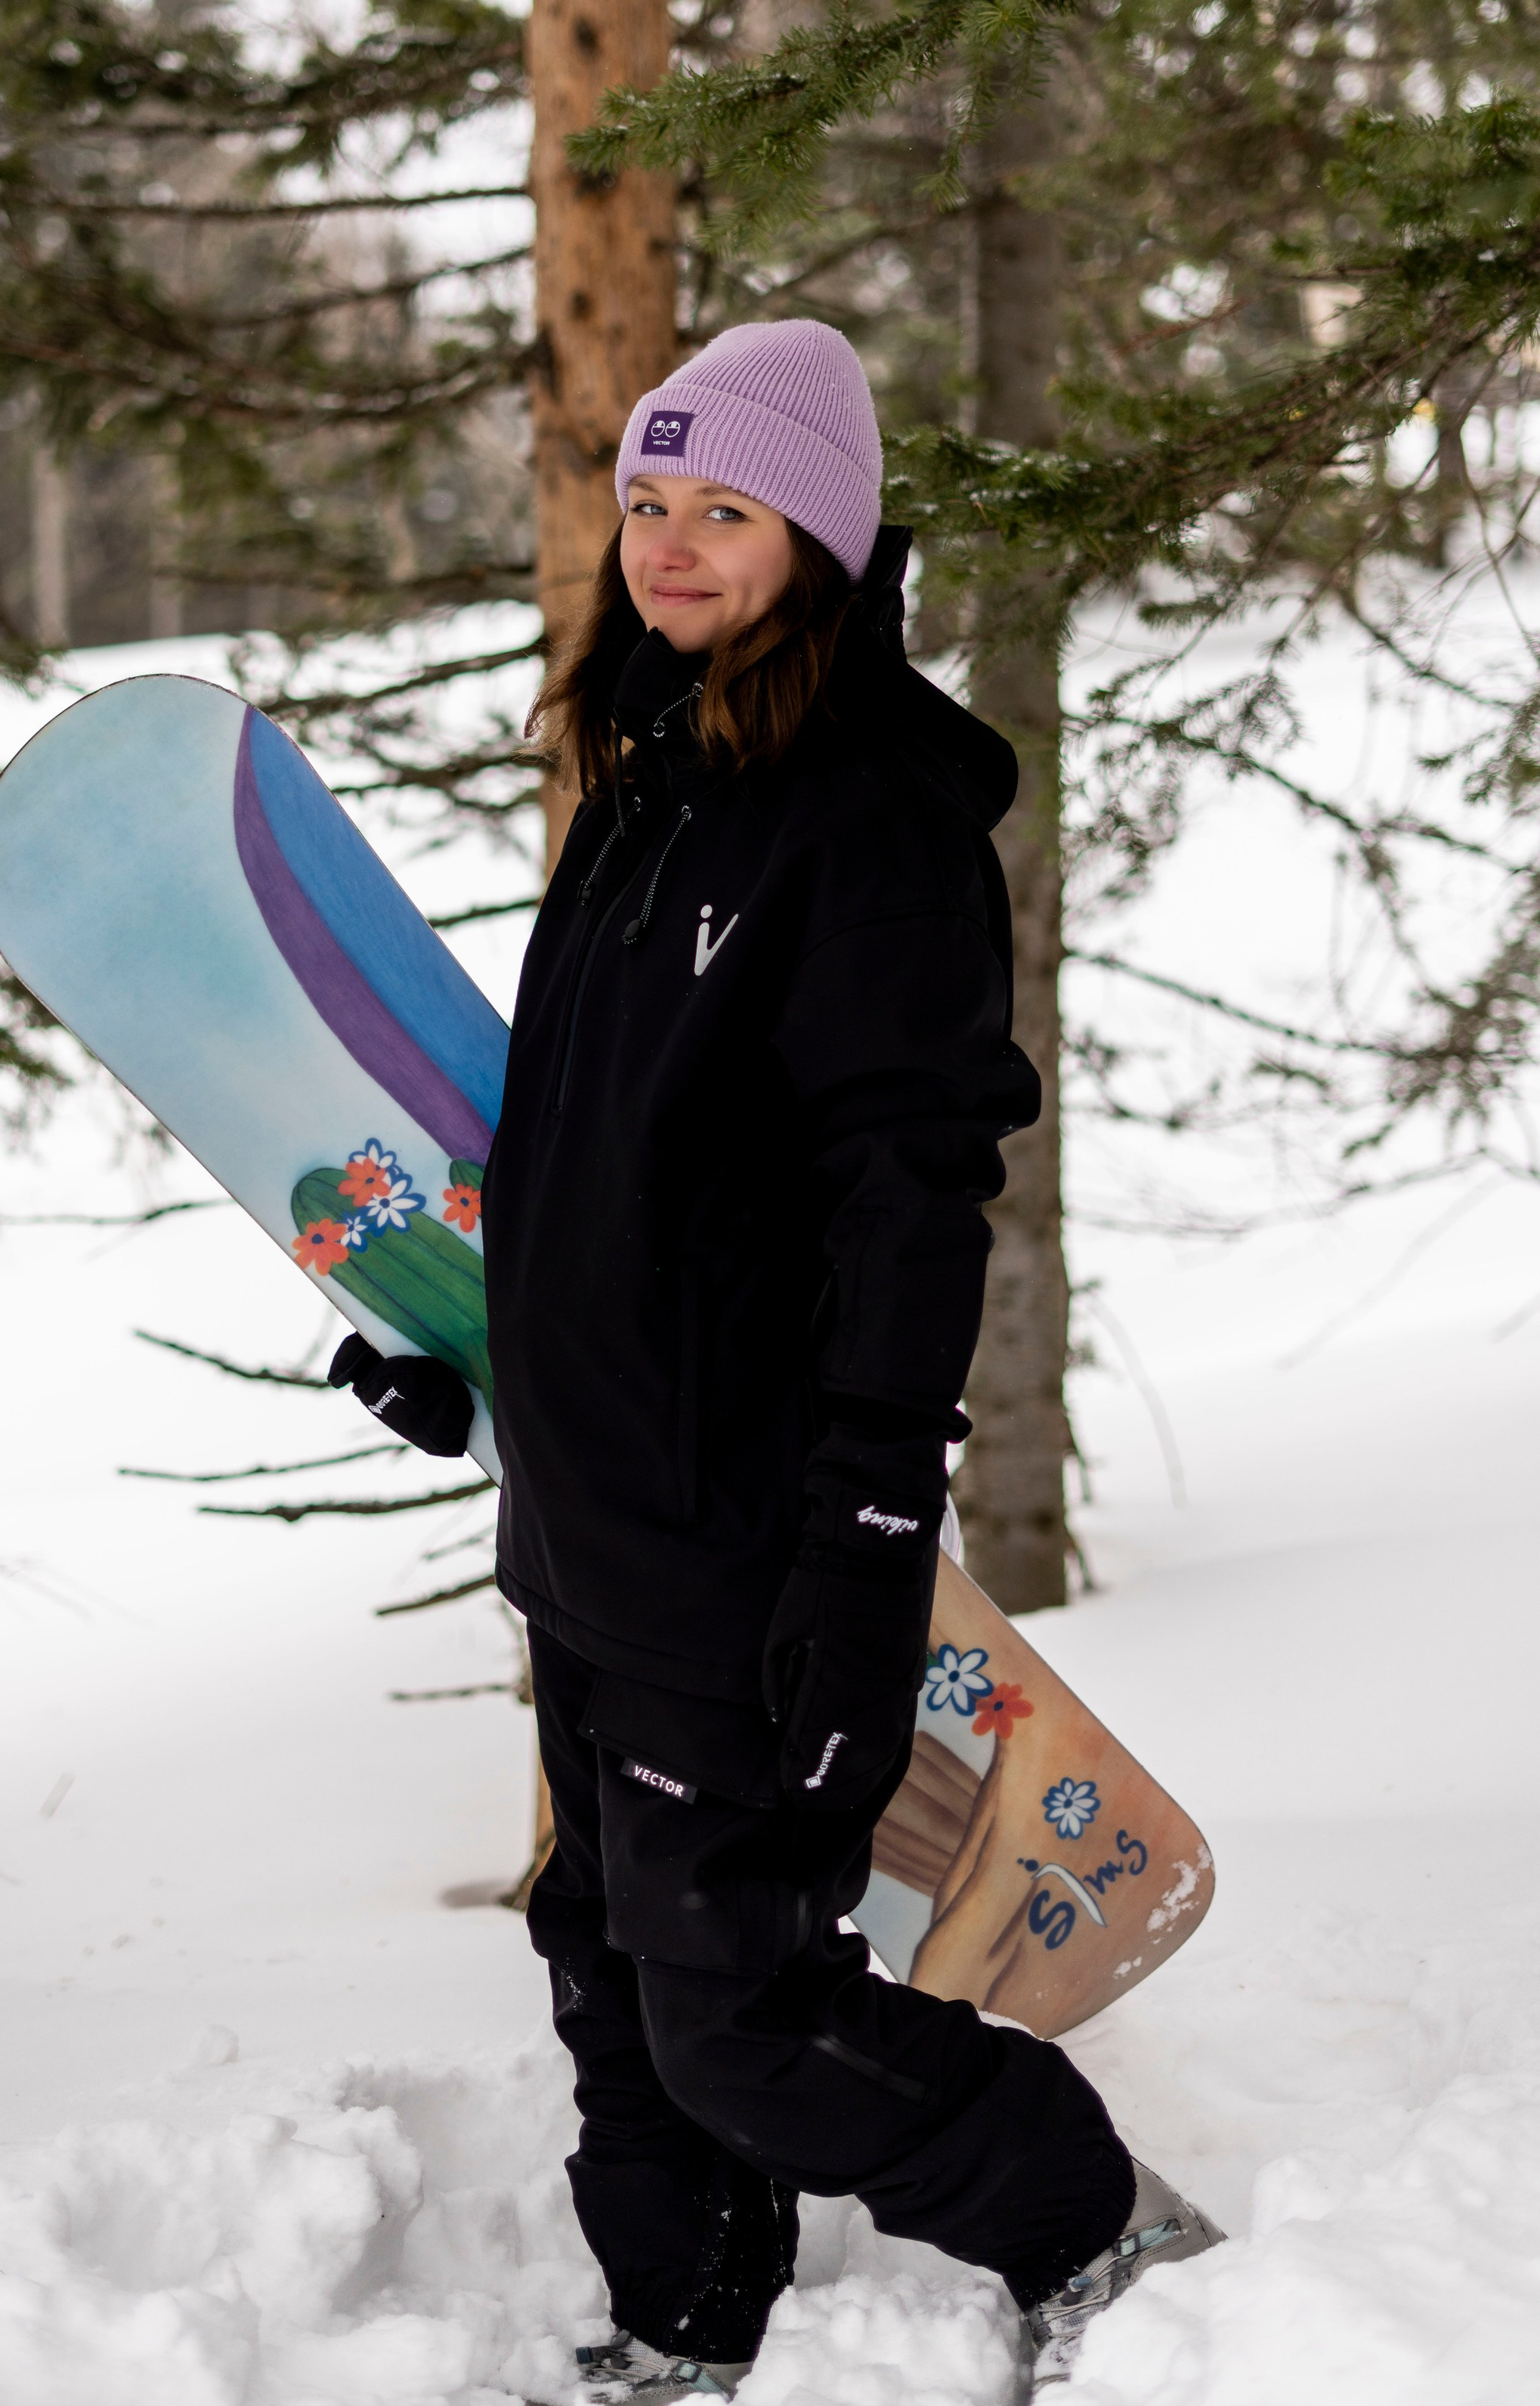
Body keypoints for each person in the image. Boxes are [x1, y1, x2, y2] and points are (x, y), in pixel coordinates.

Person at [330, 320, 1222, 2394]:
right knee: (604, 1961)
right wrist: (483, 1375)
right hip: (598, 1525)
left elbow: (906, 1205)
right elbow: (597, 1170)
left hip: (747, 1538)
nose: (670, 546)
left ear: (817, 533)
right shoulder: (650, 784)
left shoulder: (871, 818)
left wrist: (864, 1536)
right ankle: (681, 2323)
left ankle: (1090, 2224)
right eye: (647, 504)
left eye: (722, 508)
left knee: (734, 1999)